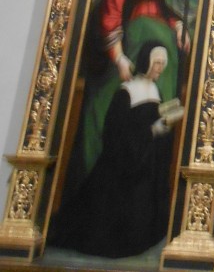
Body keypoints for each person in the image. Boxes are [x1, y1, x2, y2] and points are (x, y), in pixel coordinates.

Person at [70, 0, 190, 192]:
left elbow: (164, 9)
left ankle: (151, 165)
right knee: (105, 104)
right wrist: (120, 57)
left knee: (163, 98)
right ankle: (102, 170)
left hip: (162, 47)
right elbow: (110, 16)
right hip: (131, 44)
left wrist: (179, 26)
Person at [49, 43, 183, 258]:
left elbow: (150, 120)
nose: (160, 68)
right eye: (157, 63)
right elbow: (115, 133)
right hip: (122, 165)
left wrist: (162, 126)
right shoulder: (127, 91)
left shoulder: (155, 90)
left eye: (162, 64)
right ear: (147, 62)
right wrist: (151, 131)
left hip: (144, 160)